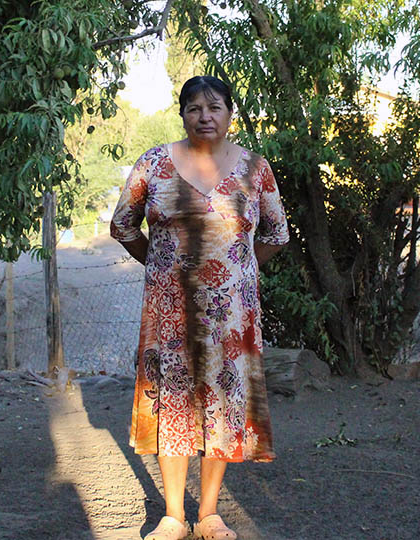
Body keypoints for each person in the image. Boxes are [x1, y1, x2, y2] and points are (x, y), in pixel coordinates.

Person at [110, 75, 289, 540]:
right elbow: (123, 225)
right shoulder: (153, 164)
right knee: (173, 402)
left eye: (214, 107)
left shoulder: (255, 169)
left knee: (222, 402)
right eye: (194, 108)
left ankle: (209, 513)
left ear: (230, 114)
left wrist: (238, 269)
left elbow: (277, 233)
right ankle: (173, 515)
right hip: (170, 311)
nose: (204, 116)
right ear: (183, 115)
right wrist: (161, 265)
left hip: (232, 314)